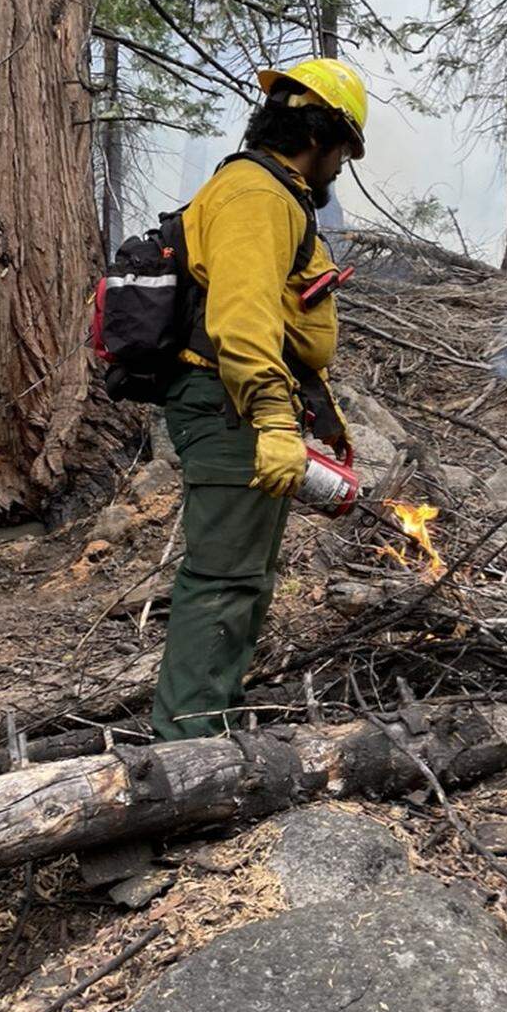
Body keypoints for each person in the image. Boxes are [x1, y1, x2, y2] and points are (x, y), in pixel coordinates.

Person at [150, 58, 367, 741]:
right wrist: (274, 420)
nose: (341, 166)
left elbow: (282, 319)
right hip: (230, 405)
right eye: (345, 149)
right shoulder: (258, 196)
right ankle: (186, 760)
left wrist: (318, 415)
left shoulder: (269, 192)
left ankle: (207, 731)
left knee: (241, 580)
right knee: (221, 582)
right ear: (321, 135)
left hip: (238, 403)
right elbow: (243, 323)